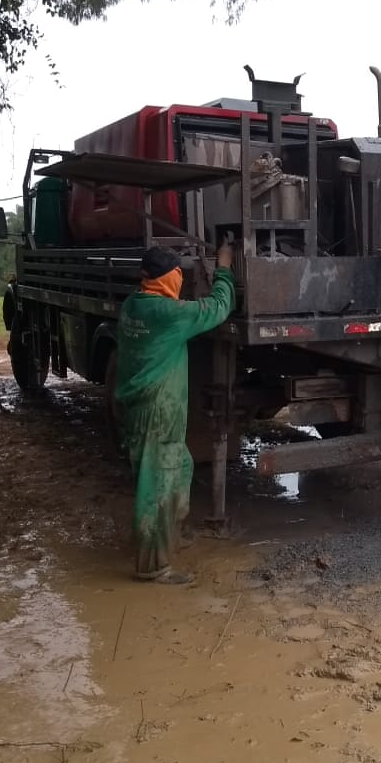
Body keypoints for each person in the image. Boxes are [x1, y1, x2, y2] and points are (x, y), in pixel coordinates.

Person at [114, 243, 235, 584]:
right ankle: (153, 567)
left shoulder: (133, 305)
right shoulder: (170, 315)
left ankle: (171, 534)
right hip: (158, 412)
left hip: (141, 408)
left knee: (181, 466)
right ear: (171, 278)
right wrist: (224, 269)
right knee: (157, 488)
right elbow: (218, 307)